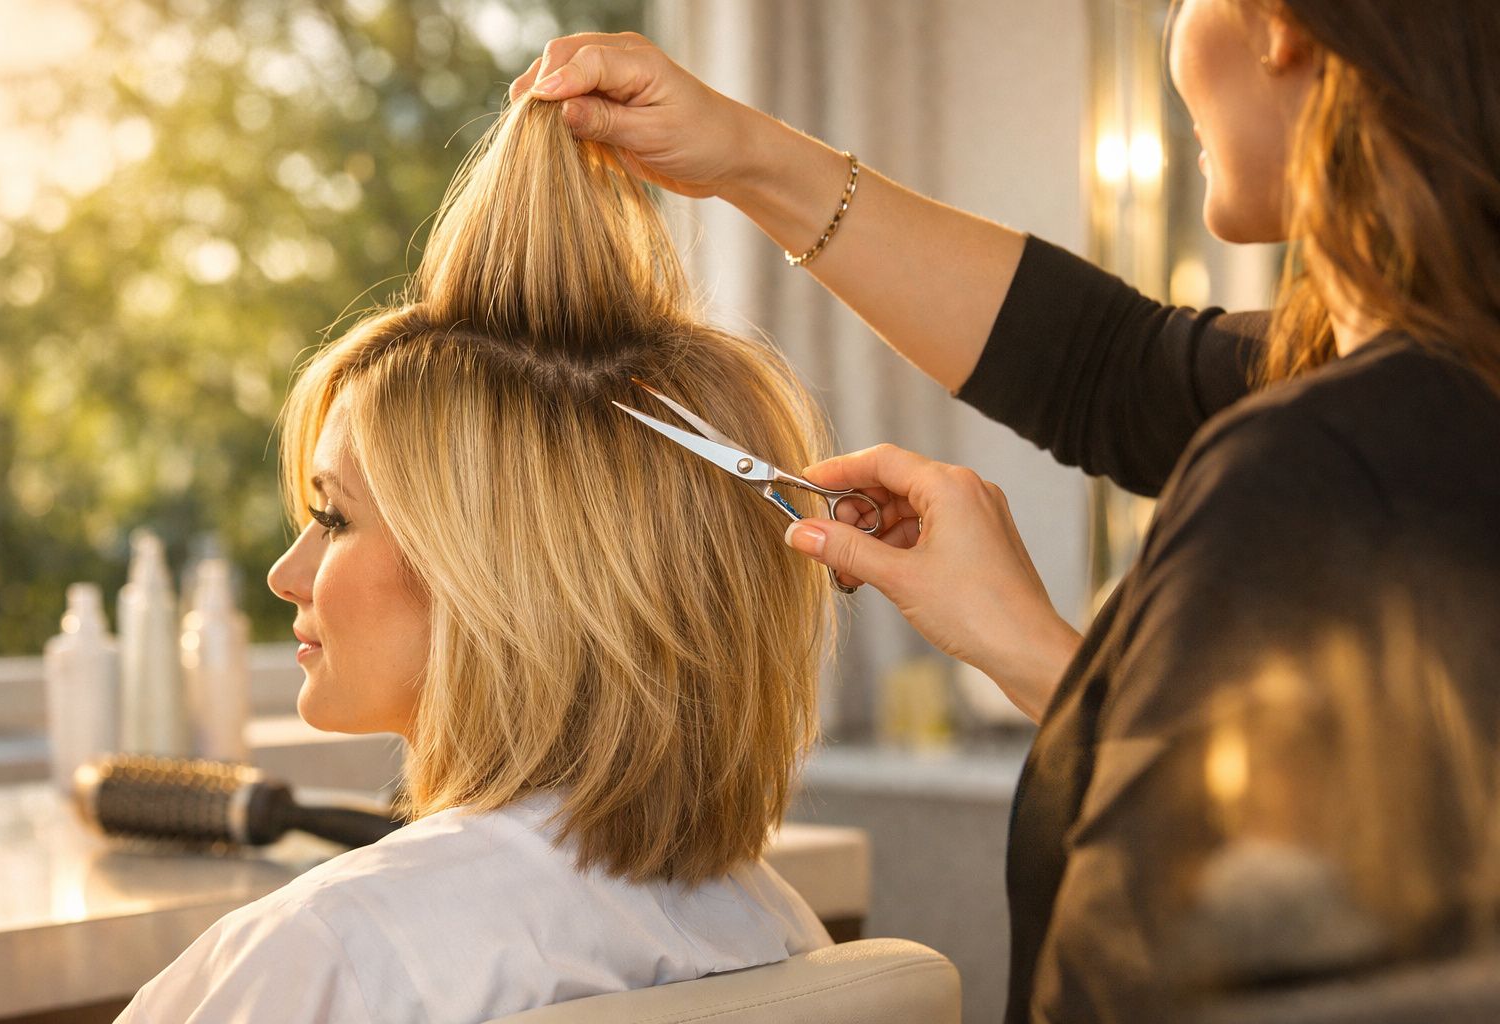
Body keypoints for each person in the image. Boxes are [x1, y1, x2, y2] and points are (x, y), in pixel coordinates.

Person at [514, 0, 1500, 1018]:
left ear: (1280, 26)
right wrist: (746, 156)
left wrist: (1033, 647)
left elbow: (1236, 928)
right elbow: (1112, 365)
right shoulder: (1435, 404)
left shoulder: (1319, 461)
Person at [114, 97, 835, 1022]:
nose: (285, 575)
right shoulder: (774, 927)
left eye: (333, 520)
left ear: (495, 584)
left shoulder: (328, 956)